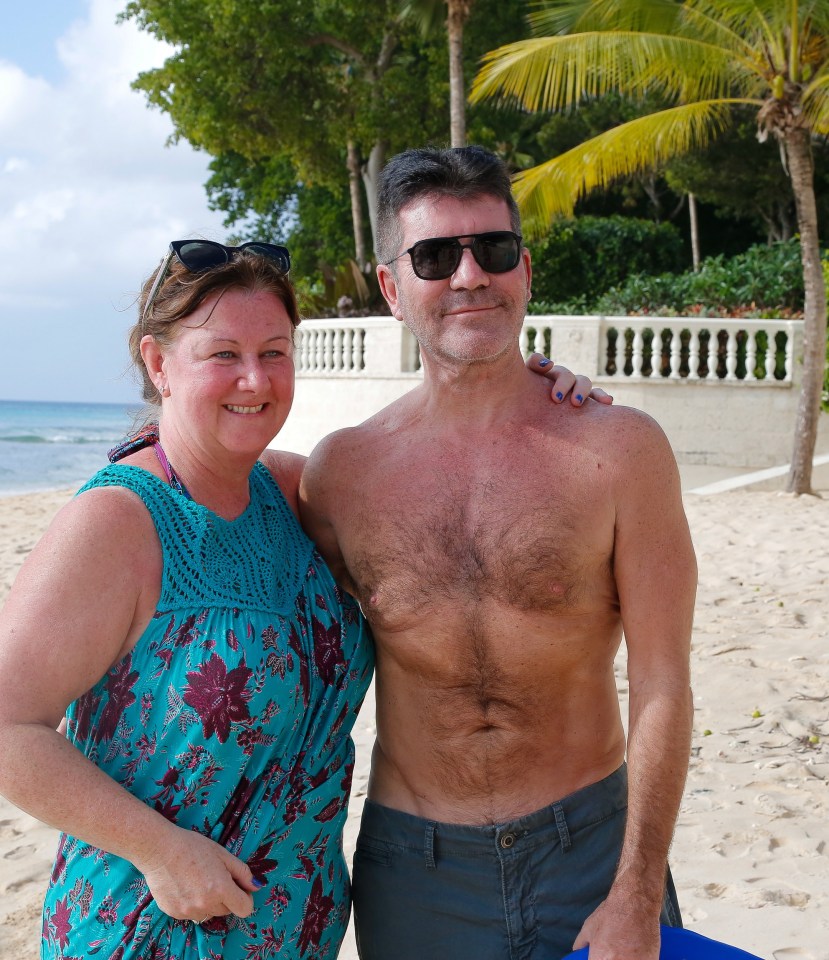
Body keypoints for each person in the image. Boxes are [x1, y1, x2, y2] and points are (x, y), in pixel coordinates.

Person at [0, 237, 600, 959]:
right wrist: (159, 850)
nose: (254, 378)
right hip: (153, 928)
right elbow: (9, 728)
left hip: (301, 933)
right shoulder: (119, 523)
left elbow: (445, 474)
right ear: (159, 363)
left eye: (275, 352)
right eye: (223, 354)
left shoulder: (296, 492)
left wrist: (530, 391)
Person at [298, 147, 698, 960]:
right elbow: (217, 495)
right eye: (435, 256)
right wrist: (152, 439)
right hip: (412, 867)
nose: (469, 275)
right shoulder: (339, 474)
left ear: (524, 270)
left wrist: (637, 890)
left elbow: (663, 680)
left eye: (494, 249)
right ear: (390, 286)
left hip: (591, 845)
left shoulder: (619, 451)